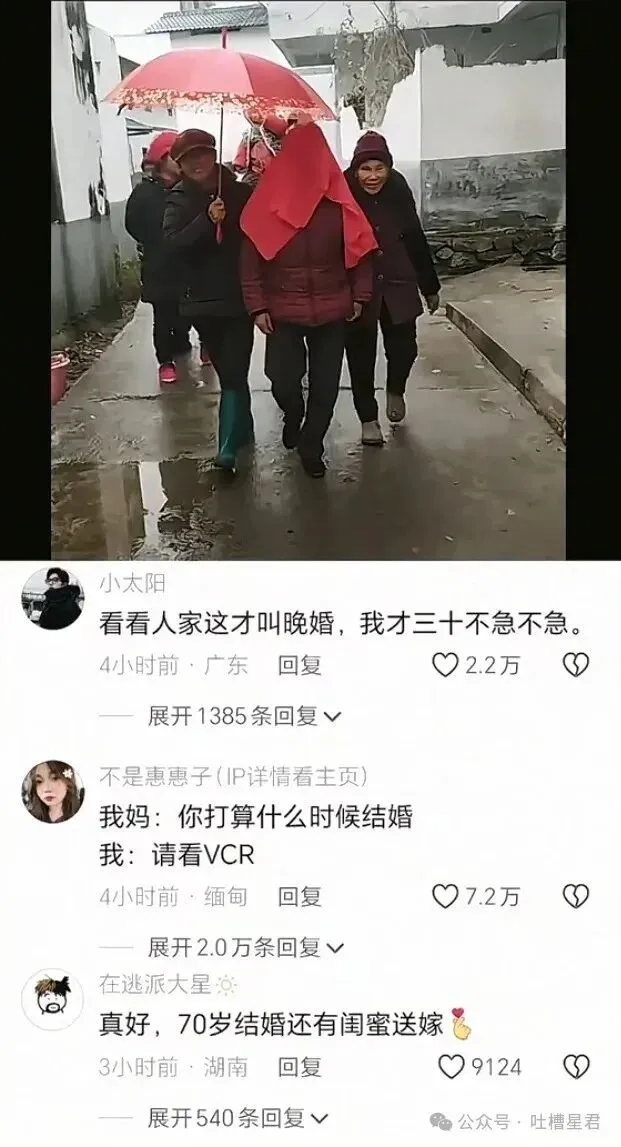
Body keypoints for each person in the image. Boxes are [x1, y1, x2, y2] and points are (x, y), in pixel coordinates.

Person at [240, 123, 377, 478]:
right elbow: (250, 261)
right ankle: (293, 412)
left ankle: (311, 444)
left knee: (326, 386)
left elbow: (360, 251)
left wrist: (360, 295)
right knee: (281, 379)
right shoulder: (268, 201)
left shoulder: (339, 203)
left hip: (333, 309)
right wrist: (257, 306)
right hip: (282, 310)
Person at [163, 129, 255, 471]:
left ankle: (227, 447)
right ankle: (242, 426)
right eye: (188, 159)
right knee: (230, 369)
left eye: (201, 154)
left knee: (235, 368)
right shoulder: (178, 200)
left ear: (214, 155)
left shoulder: (240, 193)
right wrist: (206, 220)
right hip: (202, 302)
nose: (196, 163)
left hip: (239, 296)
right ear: (180, 164)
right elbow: (173, 245)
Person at [343, 131, 441, 445]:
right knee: (360, 356)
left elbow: (414, 236)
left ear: (388, 168)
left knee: (405, 349)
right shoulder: (343, 191)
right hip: (359, 286)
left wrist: (429, 286)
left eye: (379, 168)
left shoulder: (398, 188)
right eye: (365, 169)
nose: (372, 176)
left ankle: (395, 388)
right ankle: (368, 418)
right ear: (355, 170)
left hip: (398, 280)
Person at [125, 132, 200, 385]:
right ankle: (165, 361)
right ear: (161, 159)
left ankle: (185, 341)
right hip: (160, 266)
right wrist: (154, 244)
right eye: (175, 156)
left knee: (191, 311)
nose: (181, 161)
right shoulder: (144, 193)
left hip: (188, 264)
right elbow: (132, 224)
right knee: (164, 315)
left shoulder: (190, 189)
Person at [233, 111, 289, 188]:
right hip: (256, 173)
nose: (255, 116)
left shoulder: (274, 138)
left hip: (270, 174)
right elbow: (242, 154)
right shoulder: (249, 135)